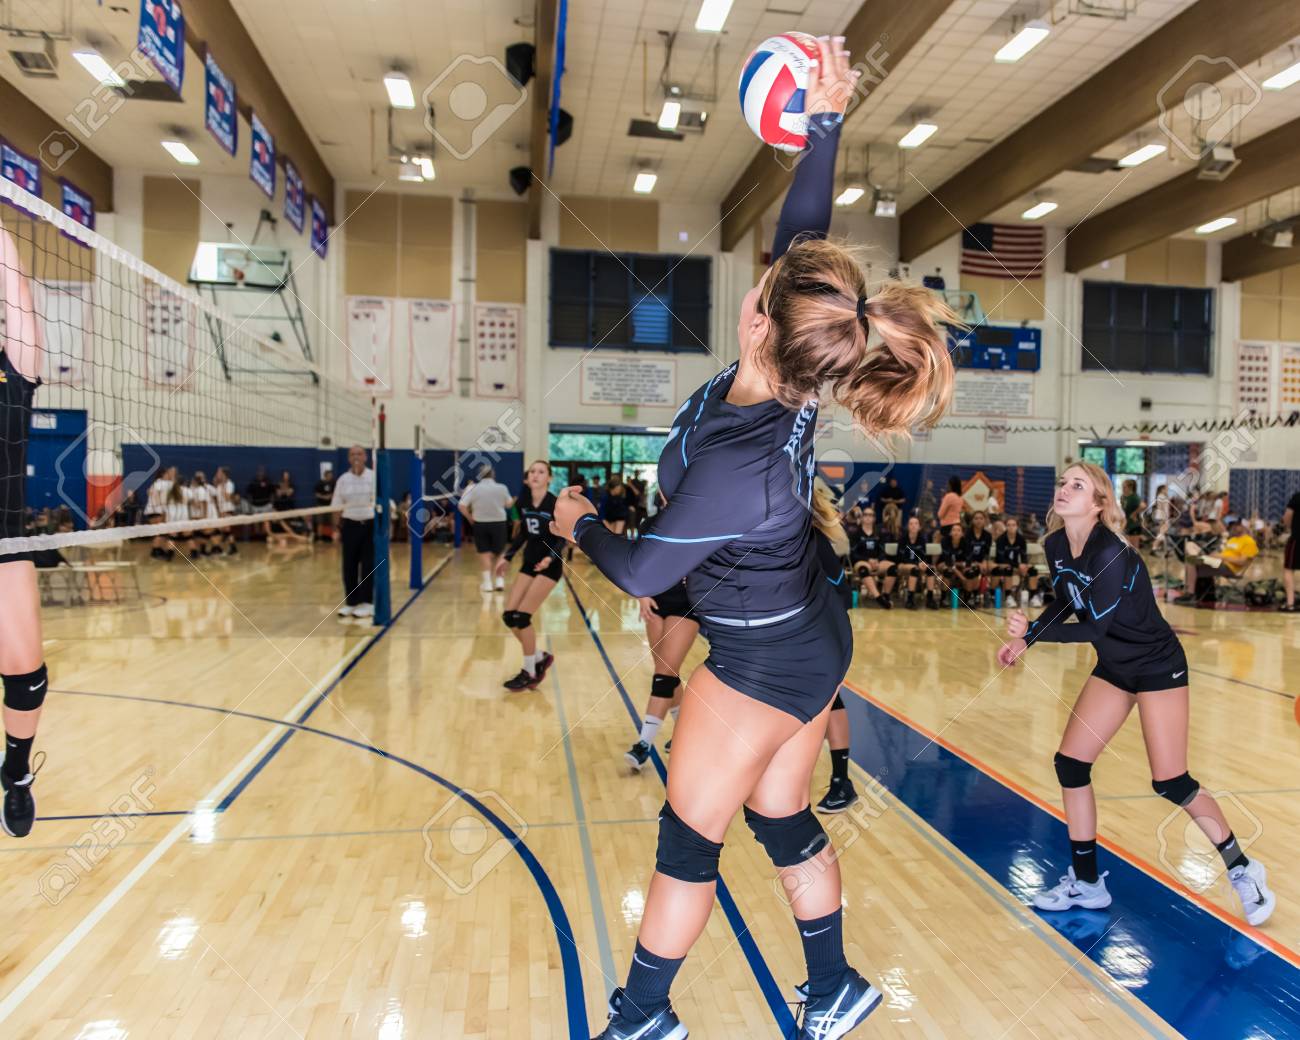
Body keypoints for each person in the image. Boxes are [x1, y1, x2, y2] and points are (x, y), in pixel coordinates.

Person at [553, 37, 955, 1039]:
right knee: (780, 814)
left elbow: (646, 568)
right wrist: (823, 118)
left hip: (765, 654)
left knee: (688, 840)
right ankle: (836, 987)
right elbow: (805, 237)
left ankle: (644, 1014)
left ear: (755, 322)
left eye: (770, 280)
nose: (765, 274)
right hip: (802, 632)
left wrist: (578, 522)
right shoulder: (795, 365)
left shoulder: (744, 449)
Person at [996, 461, 1274, 926]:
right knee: (1071, 763)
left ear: (1099, 503)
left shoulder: (1110, 553)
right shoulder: (1055, 544)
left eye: (1077, 485)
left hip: (1156, 665)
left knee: (1171, 781)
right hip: (1116, 666)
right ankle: (1087, 884)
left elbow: (1094, 625)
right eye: (1063, 482)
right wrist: (1029, 634)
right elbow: (1066, 600)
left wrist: (1031, 639)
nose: (1064, 489)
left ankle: (1244, 869)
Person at [0, 216, 50, 838]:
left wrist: (3, 235)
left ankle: (14, 772)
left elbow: (21, 307)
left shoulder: (13, 373)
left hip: (3, 544)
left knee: (28, 681)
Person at [810, 483, 858, 814]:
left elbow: (843, 592)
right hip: (800, 635)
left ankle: (842, 781)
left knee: (827, 701)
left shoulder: (813, 542)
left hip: (825, 633)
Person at [496, 461, 563, 691]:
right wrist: (507, 556)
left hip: (549, 566)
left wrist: (550, 558)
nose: (535, 475)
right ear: (527, 478)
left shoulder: (555, 504)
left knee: (522, 617)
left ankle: (529, 672)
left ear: (549, 478)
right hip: (529, 561)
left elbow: (563, 538)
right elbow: (523, 534)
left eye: (541, 472)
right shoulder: (523, 501)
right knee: (509, 616)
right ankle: (539, 656)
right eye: (532, 472)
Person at [332, 445, 375, 620]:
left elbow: (382, 502)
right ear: (349, 458)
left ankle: (367, 603)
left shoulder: (373, 477)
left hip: (369, 525)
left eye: (359, 454)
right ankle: (351, 602)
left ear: (365, 457)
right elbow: (336, 505)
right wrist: (336, 528)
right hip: (350, 525)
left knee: (367, 565)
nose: (356, 457)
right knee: (348, 565)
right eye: (352, 454)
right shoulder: (343, 479)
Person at [459, 464, 513, 592]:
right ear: (493, 474)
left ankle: (488, 583)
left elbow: (461, 506)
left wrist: (470, 518)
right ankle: (500, 581)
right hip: (499, 524)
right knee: (500, 553)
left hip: (480, 524)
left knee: (484, 554)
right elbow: (509, 504)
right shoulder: (502, 487)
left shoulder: (472, 488)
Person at [1176, 520, 1257, 605]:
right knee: (1190, 549)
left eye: (1237, 525)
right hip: (1218, 562)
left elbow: (1242, 562)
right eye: (1234, 525)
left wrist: (1221, 557)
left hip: (1229, 567)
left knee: (1191, 561)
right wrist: (1215, 555)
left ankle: (1190, 594)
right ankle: (1191, 592)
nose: (1234, 527)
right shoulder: (1233, 539)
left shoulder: (1249, 541)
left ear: (1244, 527)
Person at [849, 510, 893, 608]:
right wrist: (868, 560)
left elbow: (882, 551)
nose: (868, 517)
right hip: (861, 561)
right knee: (863, 569)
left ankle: (886, 595)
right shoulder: (856, 533)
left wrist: (878, 560)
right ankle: (879, 598)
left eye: (871, 515)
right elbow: (853, 553)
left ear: (874, 518)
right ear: (862, 517)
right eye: (865, 515)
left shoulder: (879, 533)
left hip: (877, 562)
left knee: (892, 568)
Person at [993, 515, 1040, 607]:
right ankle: (1008, 597)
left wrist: (1024, 565)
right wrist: (1018, 565)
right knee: (1008, 569)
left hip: (1016, 565)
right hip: (1002, 565)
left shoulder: (1021, 539)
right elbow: (1000, 559)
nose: (1011, 527)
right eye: (1008, 525)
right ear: (1005, 526)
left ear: (1017, 526)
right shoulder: (1000, 540)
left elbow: (1023, 555)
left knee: (1033, 570)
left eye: (1013, 525)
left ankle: (1033, 597)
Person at [895, 514, 937, 610]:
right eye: (911, 524)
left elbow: (925, 556)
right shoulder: (903, 539)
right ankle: (910, 600)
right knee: (915, 569)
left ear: (919, 526)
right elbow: (900, 558)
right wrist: (917, 564)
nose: (913, 526)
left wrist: (924, 563)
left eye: (916, 524)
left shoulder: (922, 539)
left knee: (931, 569)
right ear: (908, 526)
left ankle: (930, 599)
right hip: (903, 565)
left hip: (917, 565)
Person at [966, 509, 994, 605]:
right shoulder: (967, 534)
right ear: (972, 520)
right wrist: (977, 563)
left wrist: (984, 562)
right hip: (968, 561)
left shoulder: (988, 536)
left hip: (981, 561)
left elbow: (986, 553)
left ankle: (989, 594)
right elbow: (966, 553)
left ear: (985, 520)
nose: (979, 520)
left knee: (993, 569)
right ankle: (971, 595)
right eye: (976, 518)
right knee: (973, 570)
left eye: (981, 518)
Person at [1283, 491, 1300, 613]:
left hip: (1297, 538)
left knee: (1289, 569)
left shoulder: (1297, 496)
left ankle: (1290, 603)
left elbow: (1287, 516)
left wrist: (1291, 528)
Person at [1120, 478, 1144, 549]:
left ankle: (1136, 560)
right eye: (1122, 487)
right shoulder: (1123, 497)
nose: (1123, 489)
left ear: (1130, 488)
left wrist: (1134, 513)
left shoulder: (1134, 497)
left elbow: (1143, 506)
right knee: (1126, 547)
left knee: (1134, 548)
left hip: (1134, 525)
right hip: (1126, 525)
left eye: (1124, 487)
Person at [314, 466, 336, 540]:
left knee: (333, 522)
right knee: (320, 522)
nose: (331, 477)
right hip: (321, 505)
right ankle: (319, 538)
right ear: (325, 476)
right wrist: (324, 497)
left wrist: (331, 495)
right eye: (329, 475)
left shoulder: (333, 483)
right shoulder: (320, 483)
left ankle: (333, 537)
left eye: (331, 475)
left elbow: (336, 492)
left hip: (330, 506)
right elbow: (316, 494)